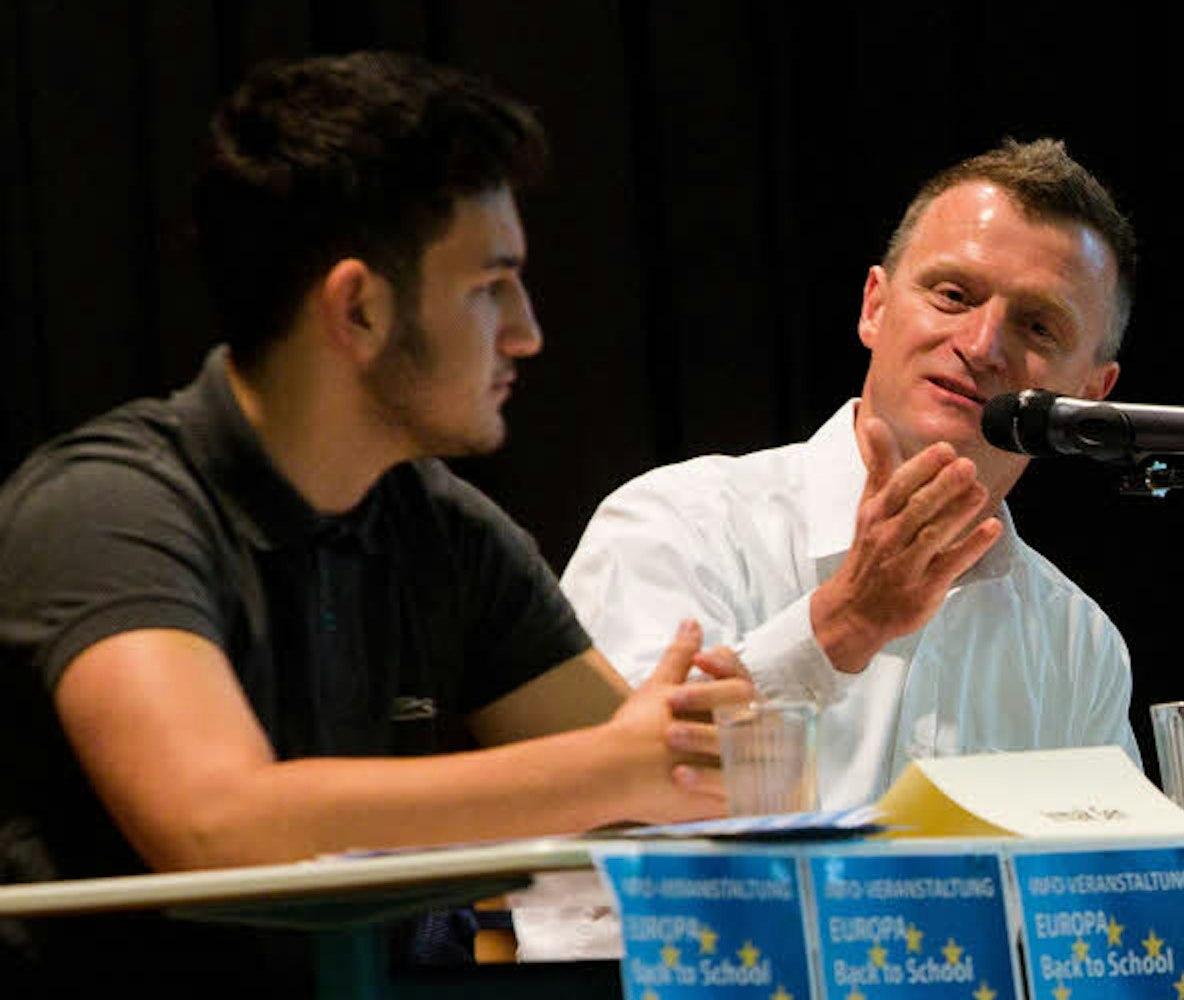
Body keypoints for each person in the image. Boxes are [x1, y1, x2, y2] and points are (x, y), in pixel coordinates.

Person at [0, 52, 751, 988]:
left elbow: (649, 777)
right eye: (490, 286)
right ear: (358, 308)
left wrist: (693, 749)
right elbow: (214, 823)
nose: (527, 332)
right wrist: (618, 767)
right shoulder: (109, 507)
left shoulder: (444, 530)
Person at [563, 139, 1141, 810]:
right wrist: (841, 623)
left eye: (1039, 327)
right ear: (874, 306)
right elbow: (608, 804)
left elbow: (1114, 867)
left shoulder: (1077, 639)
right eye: (953, 295)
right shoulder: (677, 527)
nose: (982, 346)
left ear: (1091, 396)